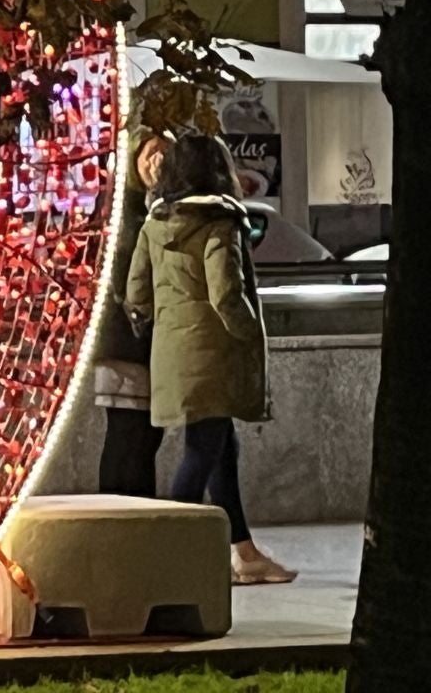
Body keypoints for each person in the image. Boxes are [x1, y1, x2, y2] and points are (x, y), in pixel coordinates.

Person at [126, 132, 296, 585]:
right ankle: (170, 558)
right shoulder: (220, 222)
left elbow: (136, 293)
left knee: (221, 450)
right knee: (203, 453)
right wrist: (249, 337)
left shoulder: (155, 221)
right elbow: (226, 295)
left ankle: (245, 554)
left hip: (176, 354)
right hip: (214, 355)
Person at [95, 129, 169, 497]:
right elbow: (135, 272)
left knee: (143, 436)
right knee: (129, 436)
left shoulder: (155, 206)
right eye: (152, 152)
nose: (159, 162)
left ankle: (132, 520)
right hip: (128, 341)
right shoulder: (128, 211)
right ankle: (124, 517)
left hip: (142, 344)